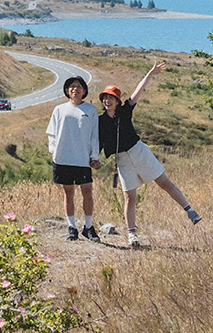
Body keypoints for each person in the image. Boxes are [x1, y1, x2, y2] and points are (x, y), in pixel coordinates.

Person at [99, 61, 201, 248]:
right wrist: (92, 158)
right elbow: (96, 142)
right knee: (129, 197)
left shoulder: (125, 111)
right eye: (105, 97)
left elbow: (138, 91)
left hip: (139, 151)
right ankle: (132, 235)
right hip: (122, 160)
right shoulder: (100, 122)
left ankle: (189, 210)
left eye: (111, 97)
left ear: (117, 100)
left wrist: (150, 74)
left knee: (164, 182)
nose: (107, 101)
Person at [46, 75, 102, 241]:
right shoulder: (59, 109)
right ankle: (71, 227)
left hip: (82, 158)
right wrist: (54, 151)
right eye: (71, 86)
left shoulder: (90, 110)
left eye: (78, 86)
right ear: (66, 90)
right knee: (68, 193)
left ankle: (89, 227)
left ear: (84, 91)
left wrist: (94, 156)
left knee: (87, 192)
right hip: (63, 158)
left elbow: (94, 135)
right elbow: (52, 133)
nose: (75, 89)